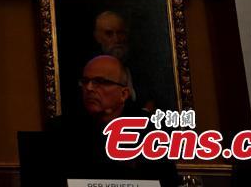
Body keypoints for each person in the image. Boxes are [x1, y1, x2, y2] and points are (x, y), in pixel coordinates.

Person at [41, 55, 178, 186]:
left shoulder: (152, 131)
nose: (89, 88)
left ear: (123, 94)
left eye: (100, 82)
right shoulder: (60, 129)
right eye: (85, 81)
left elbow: (165, 181)